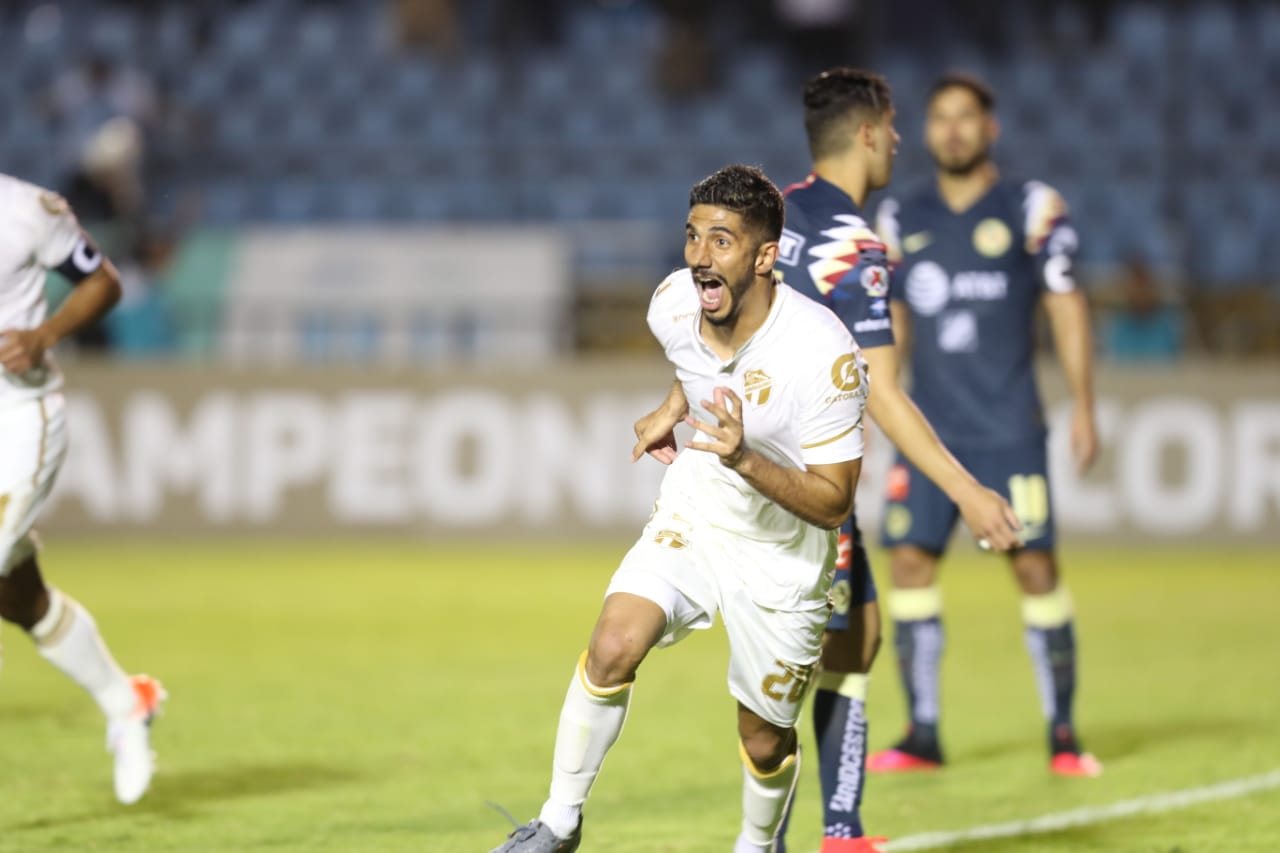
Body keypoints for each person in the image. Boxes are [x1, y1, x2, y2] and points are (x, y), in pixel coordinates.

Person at [489, 164, 870, 853]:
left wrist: (745, 457)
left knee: (762, 736)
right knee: (612, 644)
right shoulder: (671, 304)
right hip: (700, 506)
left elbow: (836, 499)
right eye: (692, 236)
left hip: (784, 554)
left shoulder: (823, 352)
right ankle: (558, 822)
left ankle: (756, 845)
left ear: (763, 256)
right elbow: (689, 363)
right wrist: (672, 410)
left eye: (720, 241)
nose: (699, 256)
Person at [772, 67, 1022, 853]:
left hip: (748, 466)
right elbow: (882, 389)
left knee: (860, 633)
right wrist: (969, 489)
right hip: (810, 480)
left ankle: (837, 828)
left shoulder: (766, 213)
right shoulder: (857, 244)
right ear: (873, 133)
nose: (904, 141)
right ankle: (793, 834)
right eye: (896, 126)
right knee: (805, 660)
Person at [869, 73, 1101, 777]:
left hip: (1009, 429)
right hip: (931, 433)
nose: (953, 130)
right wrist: (883, 403)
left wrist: (1084, 402)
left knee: (1034, 565)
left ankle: (1063, 734)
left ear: (989, 128)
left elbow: (1065, 304)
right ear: (928, 131)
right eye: (940, 119)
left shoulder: (1031, 207)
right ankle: (923, 732)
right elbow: (893, 324)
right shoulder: (900, 216)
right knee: (909, 562)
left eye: (966, 117)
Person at [0, 173, 166, 804]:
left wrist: (42, 337)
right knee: (19, 599)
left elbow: (104, 280)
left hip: (18, 418)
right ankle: (128, 702)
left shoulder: (23, 210)